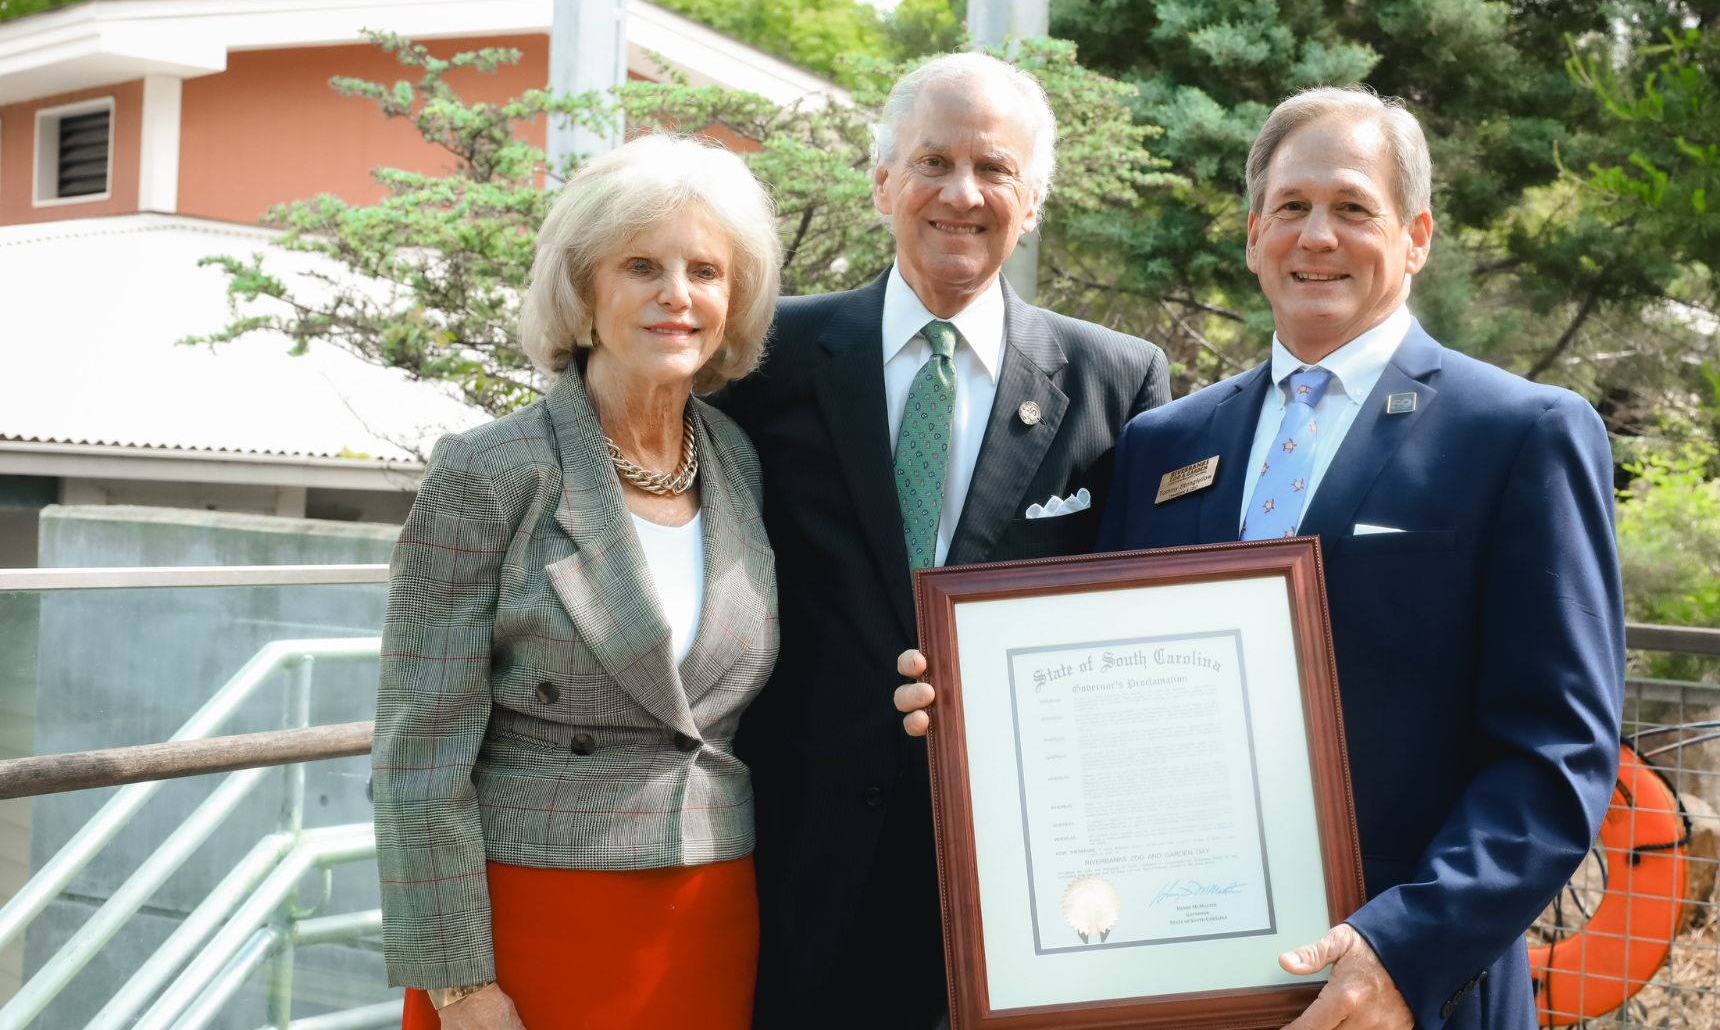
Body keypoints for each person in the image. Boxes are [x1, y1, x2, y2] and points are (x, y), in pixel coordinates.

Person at [897, 87, 1625, 1029]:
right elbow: (1101, 697)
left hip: (1405, 991)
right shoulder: (1163, 444)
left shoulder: (1519, 434)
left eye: (1353, 208)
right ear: (1253, 236)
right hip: (1177, 980)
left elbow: (1557, 755)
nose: (1316, 236)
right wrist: (969, 708)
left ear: (1417, 236)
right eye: (1291, 208)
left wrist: (1406, 947)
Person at [711, 52, 1170, 1027]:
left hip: (1025, 891)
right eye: (933, 162)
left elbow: (1137, 637)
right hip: (800, 878)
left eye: (995, 169)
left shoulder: (1117, 384)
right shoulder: (764, 362)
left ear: (1034, 198)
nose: (962, 193)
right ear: (883, 182)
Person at [372, 133, 783, 1030]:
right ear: (584, 290)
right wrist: (460, 987)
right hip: (531, 918)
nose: (678, 296)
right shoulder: (486, 474)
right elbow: (417, 752)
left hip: (712, 910)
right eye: (643, 265)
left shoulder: (740, 463)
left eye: (706, 271)